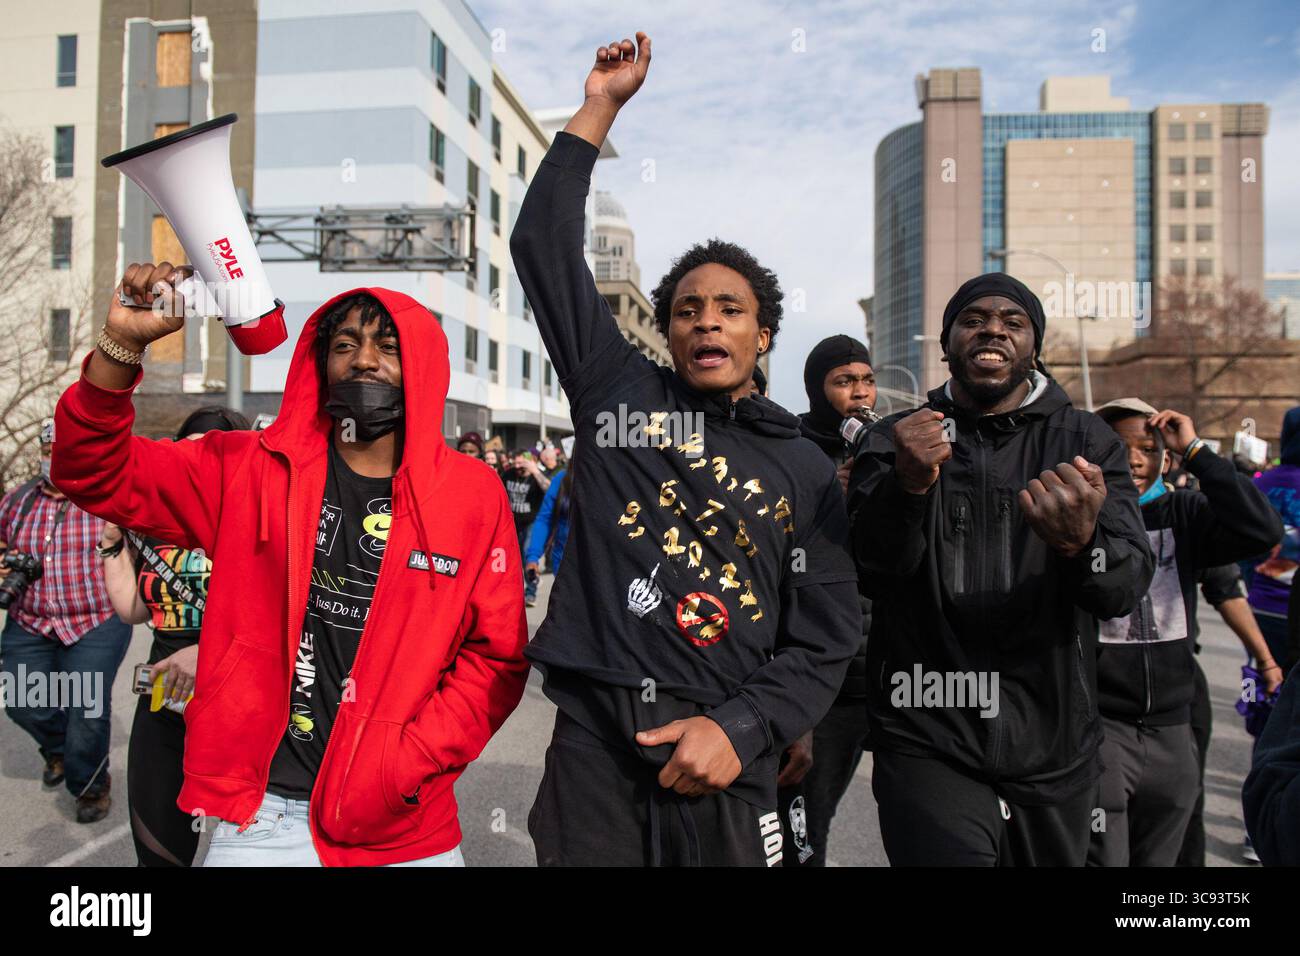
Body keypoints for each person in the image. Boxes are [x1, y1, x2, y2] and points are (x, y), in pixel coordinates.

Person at [511, 32, 861, 867]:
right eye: (687, 309)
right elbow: (542, 246)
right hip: (596, 749)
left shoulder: (805, 467)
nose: (707, 320)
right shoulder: (616, 391)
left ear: (762, 334)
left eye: (730, 309)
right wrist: (599, 106)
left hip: (725, 759)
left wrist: (747, 726)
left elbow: (825, 635)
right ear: (666, 333)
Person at [52, 263, 529, 866]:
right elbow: (91, 469)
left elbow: (496, 657)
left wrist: (406, 762)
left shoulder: (471, 495)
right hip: (263, 818)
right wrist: (120, 348)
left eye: (388, 346)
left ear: (423, 368)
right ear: (319, 364)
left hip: (405, 825)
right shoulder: (247, 469)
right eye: (345, 345)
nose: (363, 360)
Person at [847, 273, 1154, 867]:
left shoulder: (1086, 440)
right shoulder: (896, 439)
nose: (992, 330)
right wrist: (907, 488)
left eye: (1013, 322)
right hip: (927, 731)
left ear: (1033, 347)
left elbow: (1123, 588)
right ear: (946, 344)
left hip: (1053, 743)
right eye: (973, 320)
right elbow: (871, 573)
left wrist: (1082, 545)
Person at [1087, 399, 1281, 867]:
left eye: (1148, 449)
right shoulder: (1078, 517)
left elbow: (1260, 531)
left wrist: (1197, 452)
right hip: (1101, 724)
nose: (1134, 460)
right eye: (1118, 449)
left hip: (1174, 723)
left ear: (1166, 458)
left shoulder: (1185, 513)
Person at [98, 406, 249, 865]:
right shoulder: (158, 523)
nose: (197, 464)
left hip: (243, 707)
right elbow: (133, 609)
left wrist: (209, 652)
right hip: (164, 700)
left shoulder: (260, 521)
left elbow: (291, 614)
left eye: (212, 452)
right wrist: (111, 544)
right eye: (188, 451)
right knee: (158, 856)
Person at [0, 420, 134, 824]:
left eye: (62, 451)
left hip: (95, 620)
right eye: (47, 451)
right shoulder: (17, 501)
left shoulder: (106, 496)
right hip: (31, 619)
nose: (53, 458)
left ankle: (90, 785)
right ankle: (60, 748)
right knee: (23, 702)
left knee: (86, 708)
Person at [786, 334, 878, 866]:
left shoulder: (888, 445)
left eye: (867, 380)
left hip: (884, 674)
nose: (860, 392)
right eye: (844, 381)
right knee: (804, 822)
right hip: (822, 680)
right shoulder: (791, 450)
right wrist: (829, 503)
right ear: (817, 389)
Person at [1178, 562, 1283, 866]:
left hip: (1262, 608)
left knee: (1264, 715)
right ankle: (1256, 828)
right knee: (1261, 713)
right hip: (1267, 612)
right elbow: (1236, 573)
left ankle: (1258, 827)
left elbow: (1234, 574)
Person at [1245, 405, 1300, 674]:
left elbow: (1242, 550)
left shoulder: (1259, 484)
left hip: (1261, 606)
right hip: (1290, 611)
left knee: (1260, 678)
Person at [504, 451, 547, 607]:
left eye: (521, 463)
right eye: (515, 463)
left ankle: (530, 592)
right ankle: (512, 592)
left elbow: (550, 490)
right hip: (512, 522)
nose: (517, 466)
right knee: (512, 558)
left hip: (531, 522)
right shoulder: (509, 474)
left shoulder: (536, 476)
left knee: (528, 555)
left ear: (529, 462)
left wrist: (535, 471)